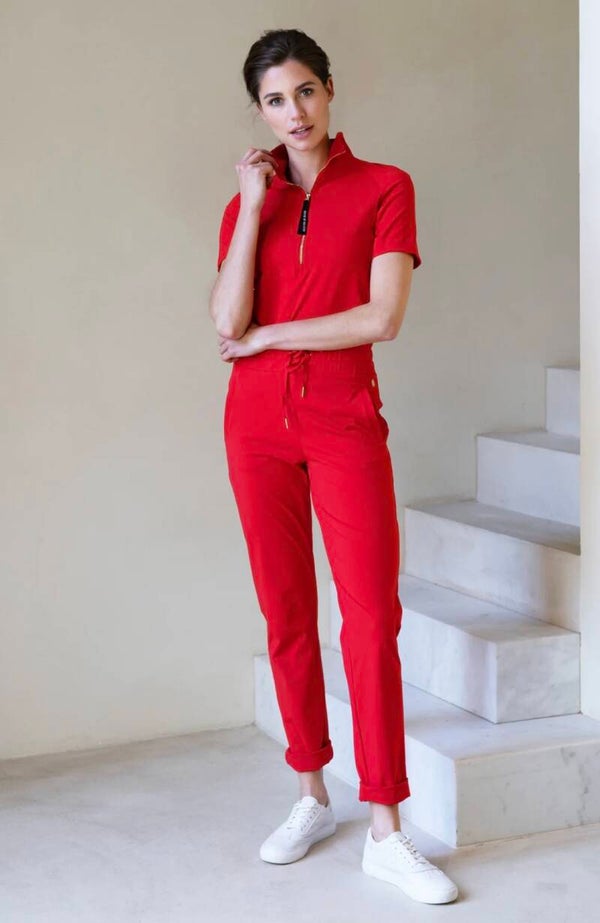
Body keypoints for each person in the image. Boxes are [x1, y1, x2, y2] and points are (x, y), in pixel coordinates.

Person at [209, 28, 458, 905]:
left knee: (370, 616)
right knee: (285, 610)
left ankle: (386, 824)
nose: (295, 112)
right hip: (256, 428)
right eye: (275, 100)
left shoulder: (386, 186)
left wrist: (272, 335)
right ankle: (311, 791)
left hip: (344, 421)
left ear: (329, 90)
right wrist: (252, 206)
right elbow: (225, 320)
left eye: (305, 91)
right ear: (260, 111)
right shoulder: (248, 204)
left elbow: (380, 316)